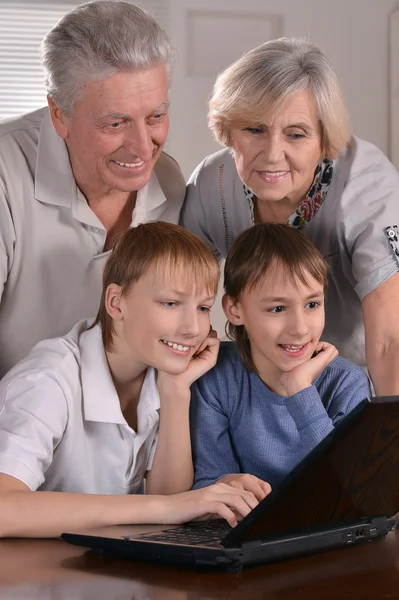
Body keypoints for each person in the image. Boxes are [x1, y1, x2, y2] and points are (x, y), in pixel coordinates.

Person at [0, 222, 258, 538]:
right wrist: (168, 507)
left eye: (203, 307)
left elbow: (168, 503)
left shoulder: (160, 371)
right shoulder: (48, 381)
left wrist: (175, 390)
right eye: (171, 303)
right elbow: (3, 509)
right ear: (116, 302)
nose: (193, 328)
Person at [181, 37, 399, 396]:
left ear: (324, 139)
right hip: (261, 381)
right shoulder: (211, 185)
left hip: (357, 383)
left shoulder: (368, 188)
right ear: (229, 130)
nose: (272, 155)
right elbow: (177, 297)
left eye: (296, 134)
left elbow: (391, 343)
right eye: (254, 129)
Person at [0, 1, 186, 378]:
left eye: (156, 116)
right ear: (59, 115)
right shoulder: (6, 170)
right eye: (115, 123)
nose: (142, 147)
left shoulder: (170, 181)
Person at [190, 223, 371, 496]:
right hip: (246, 532)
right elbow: (208, 480)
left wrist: (300, 389)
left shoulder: (347, 383)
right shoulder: (216, 377)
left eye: (312, 304)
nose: (299, 328)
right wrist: (221, 485)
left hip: (325, 533)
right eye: (277, 308)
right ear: (234, 309)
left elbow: (351, 489)